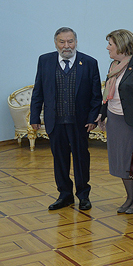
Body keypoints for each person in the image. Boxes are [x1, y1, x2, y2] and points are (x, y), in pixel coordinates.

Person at [30, 27, 102, 211]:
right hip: (55, 122)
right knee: (60, 160)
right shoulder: (45, 61)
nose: (66, 45)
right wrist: (35, 116)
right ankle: (65, 195)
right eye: (62, 42)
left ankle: (83, 195)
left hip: (80, 122)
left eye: (70, 41)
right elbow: (38, 91)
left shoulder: (89, 62)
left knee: (81, 159)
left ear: (76, 42)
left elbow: (96, 96)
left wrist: (93, 118)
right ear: (56, 43)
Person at [95, 29, 133, 214]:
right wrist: (102, 114)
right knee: (121, 161)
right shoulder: (114, 66)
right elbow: (107, 94)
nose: (107, 48)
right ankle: (129, 197)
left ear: (120, 45)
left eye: (110, 44)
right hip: (115, 121)